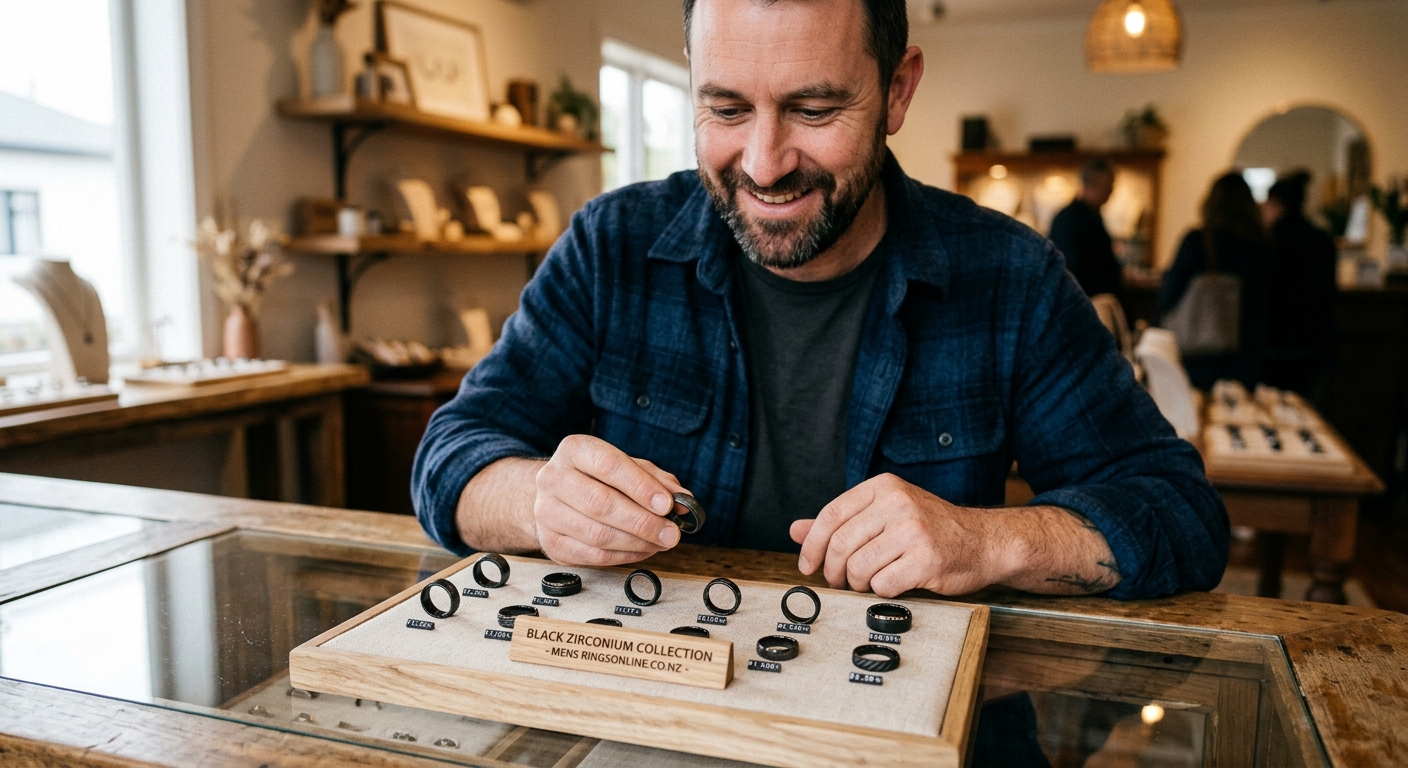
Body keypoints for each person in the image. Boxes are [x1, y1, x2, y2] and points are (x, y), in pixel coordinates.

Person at [413, 0, 1227, 603]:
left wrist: (987, 541)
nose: (764, 164)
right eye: (726, 109)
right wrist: (536, 500)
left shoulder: (1010, 276)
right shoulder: (611, 246)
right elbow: (448, 456)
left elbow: (1180, 514)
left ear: (899, 92)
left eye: (813, 109)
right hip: (652, 714)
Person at [1158, 172, 1271, 390]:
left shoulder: (1199, 241)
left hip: (1201, 350)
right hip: (1248, 350)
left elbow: (1169, 293)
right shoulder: (1262, 245)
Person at [1261, 170, 1338, 399]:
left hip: (1271, 345)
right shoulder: (1321, 239)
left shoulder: (1267, 239)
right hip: (1312, 345)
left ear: (1275, 203)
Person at [1049, 157, 1122, 297]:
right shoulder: (1070, 219)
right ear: (1092, 185)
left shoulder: (1090, 216)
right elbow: (1071, 268)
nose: (1111, 192)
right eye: (1108, 187)